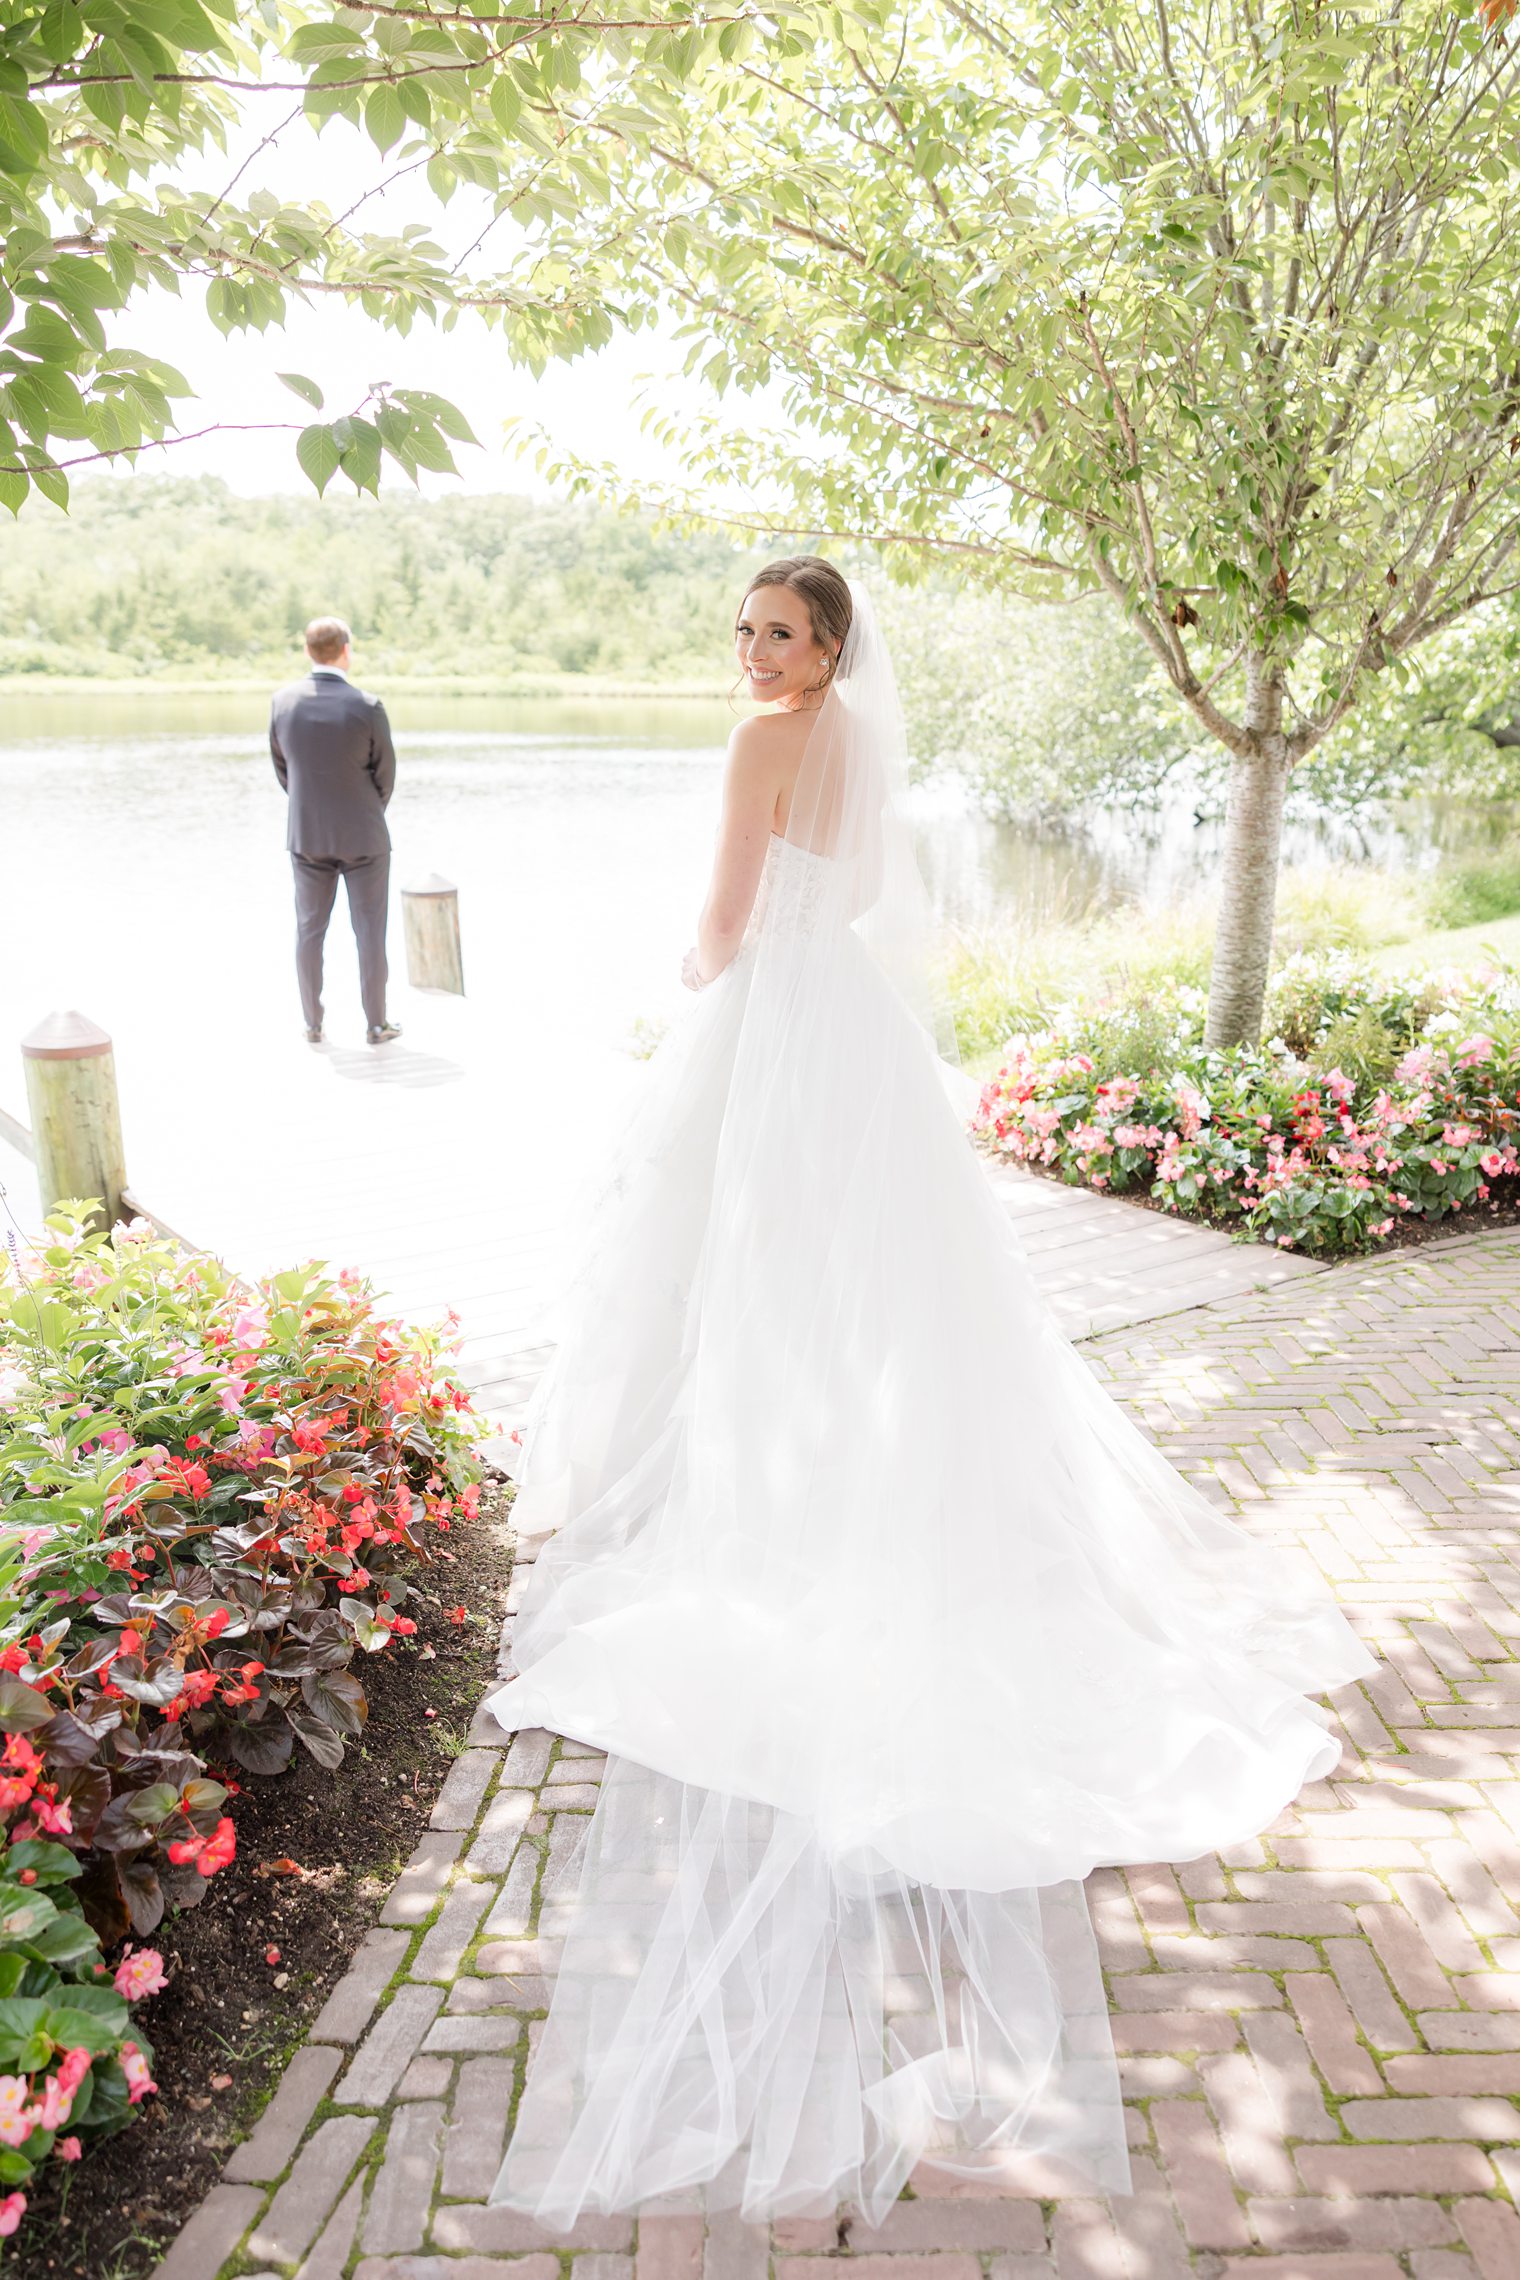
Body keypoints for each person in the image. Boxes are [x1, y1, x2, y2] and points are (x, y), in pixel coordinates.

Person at [482, 559, 1375, 2226]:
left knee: (744, 1278)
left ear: (828, 650)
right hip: (860, 1042)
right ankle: (845, 1475)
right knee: (872, 1298)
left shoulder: (764, 744)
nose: (751, 651)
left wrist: (686, 980)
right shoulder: (865, 746)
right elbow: (860, 892)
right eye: (746, 627)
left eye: (778, 633)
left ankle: (749, 1491)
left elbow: (732, 921)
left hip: (776, 1032)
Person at [269, 616, 402, 1046]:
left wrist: (312, 807)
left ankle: (312, 1023)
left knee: (308, 928)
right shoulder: (366, 705)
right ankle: (376, 1025)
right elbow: (386, 774)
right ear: (346, 649)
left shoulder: (283, 703)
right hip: (364, 837)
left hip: (307, 837)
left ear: (308, 651)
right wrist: (364, 810)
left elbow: (283, 769)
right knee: (369, 931)